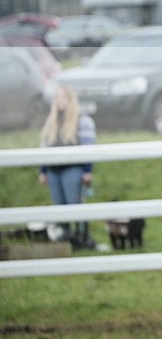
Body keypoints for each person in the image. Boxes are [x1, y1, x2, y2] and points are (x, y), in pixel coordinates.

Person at [38, 85, 97, 249]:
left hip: (73, 169)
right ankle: (65, 240)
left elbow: (88, 147)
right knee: (59, 207)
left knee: (75, 204)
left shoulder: (82, 121)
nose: (59, 101)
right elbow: (44, 147)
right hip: (53, 170)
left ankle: (82, 239)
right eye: (57, 97)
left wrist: (87, 170)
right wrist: (43, 170)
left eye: (62, 97)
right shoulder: (51, 122)